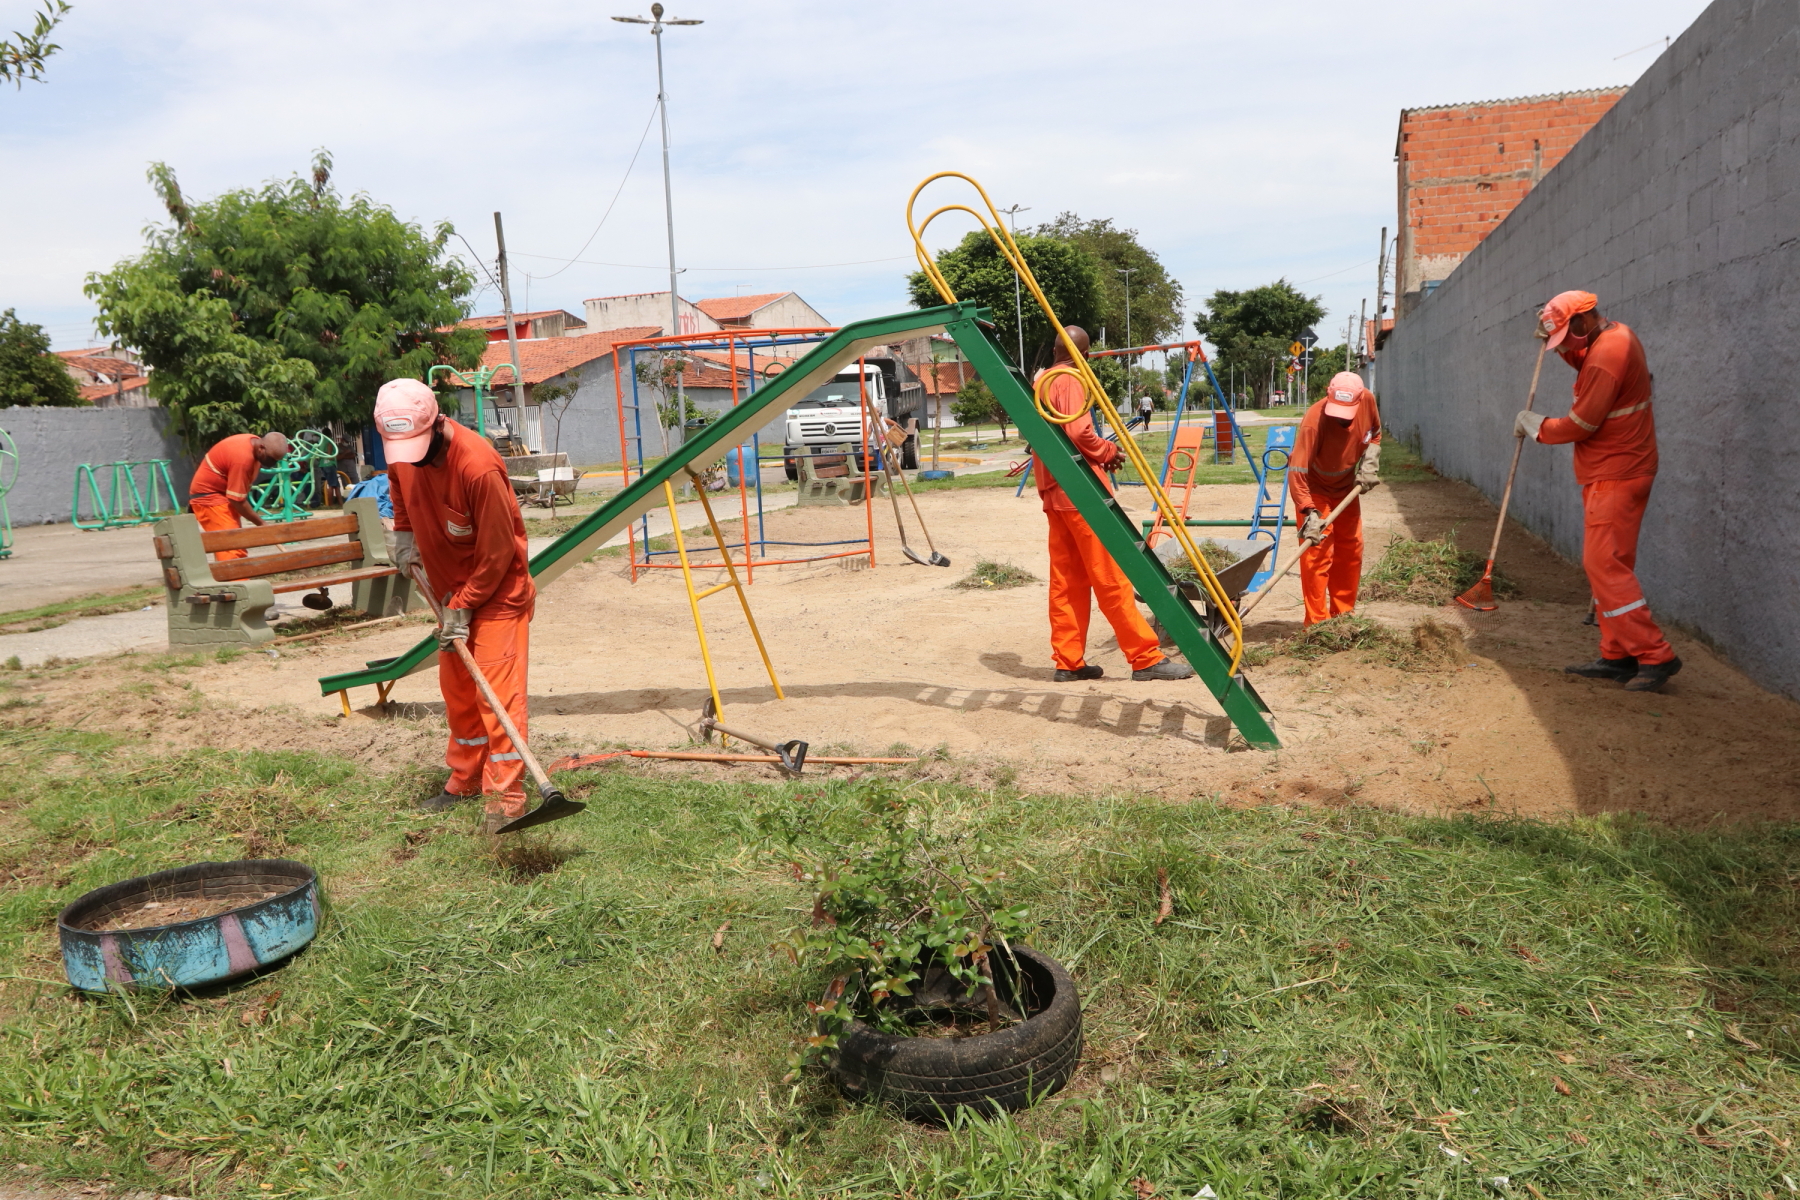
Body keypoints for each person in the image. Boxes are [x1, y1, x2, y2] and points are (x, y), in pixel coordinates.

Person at [375, 378, 538, 833]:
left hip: (497, 596)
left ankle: (505, 800)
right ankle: (464, 780)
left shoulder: (478, 466)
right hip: (450, 594)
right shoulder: (403, 454)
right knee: (460, 694)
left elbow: (496, 553)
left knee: (496, 697)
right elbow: (401, 490)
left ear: (435, 424)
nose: (408, 456)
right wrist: (404, 536)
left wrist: (463, 606)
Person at [1517, 290, 1679, 692]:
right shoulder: (1609, 338)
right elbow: (1580, 358)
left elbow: (1581, 424)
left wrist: (1537, 427)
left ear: (1583, 321)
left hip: (1618, 472)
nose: (1565, 347)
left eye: (1564, 337)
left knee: (1603, 565)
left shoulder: (1609, 353)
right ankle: (1617, 654)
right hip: (1611, 470)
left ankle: (1655, 655)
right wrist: (1555, 345)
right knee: (1610, 567)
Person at [1033, 326, 1194, 683]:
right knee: (1111, 577)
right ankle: (1145, 658)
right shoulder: (1071, 379)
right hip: (1079, 492)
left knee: (1067, 582)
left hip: (1054, 491)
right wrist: (1107, 451)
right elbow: (1078, 432)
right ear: (1085, 355)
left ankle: (1068, 660)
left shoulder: (1042, 380)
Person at [1288, 371, 1382, 625]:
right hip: (1314, 489)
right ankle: (1317, 624)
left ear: (1360, 399)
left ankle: (1343, 616)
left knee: (1350, 550)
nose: (1341, 419)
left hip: (1346, 488)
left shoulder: (1368, 401)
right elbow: (1297, 472)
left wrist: (1370, 464)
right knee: (1317, 555)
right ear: (1328, 395)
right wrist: (1309, 512)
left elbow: (1375, 434)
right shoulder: (1314, 421)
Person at [186, 431, 291, 560]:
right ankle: (236, 579)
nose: (271, 463)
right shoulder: (242, 459)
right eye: (270, 458)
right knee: (232, 548)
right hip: (209, 497)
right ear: (261, 448)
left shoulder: (254, 444)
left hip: (222, 495)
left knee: (233, 543)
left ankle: (234, 578)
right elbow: (237, 500)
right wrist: (261, 523)